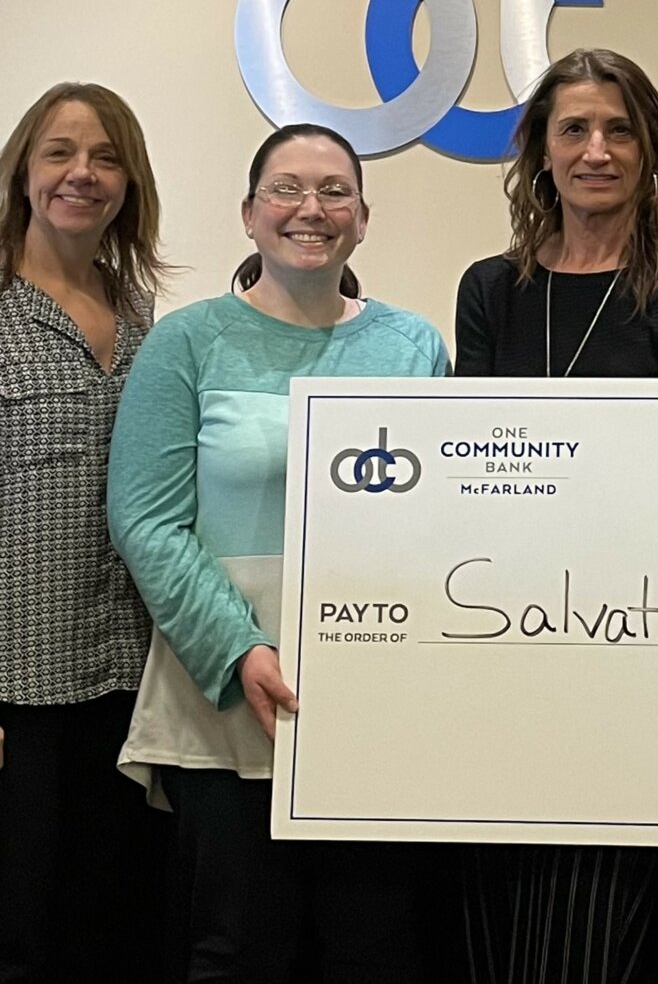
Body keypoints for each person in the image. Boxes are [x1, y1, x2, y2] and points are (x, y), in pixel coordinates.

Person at [108, 122, 449, 984]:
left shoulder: (416, 348)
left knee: (372, 948)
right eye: (287, 189)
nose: (312, 208)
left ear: (363, 218)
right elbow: (146, 520)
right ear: (250, 215)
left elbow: (444, 521)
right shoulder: (184, 343)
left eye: (335, 190)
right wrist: (240, 649)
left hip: (371, 695)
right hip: (226, 697)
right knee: (238, 951)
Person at [455, 46, 658, 984]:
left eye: (620, 129)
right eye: (573, 128)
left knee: (584, 939)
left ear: (650, 146)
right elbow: (469, 472)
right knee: (486, 932)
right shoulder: (490, 291)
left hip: (630, 647)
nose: (597, 149)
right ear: (540, 148)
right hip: (498, 643)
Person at [0, 83, 170, 984]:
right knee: (21, 928)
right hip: (19, 684)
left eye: (105, 156)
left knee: (113, 922)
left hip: (131, 676)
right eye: (60, 151)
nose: (82, 173)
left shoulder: (143, 317)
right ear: (24, 171)